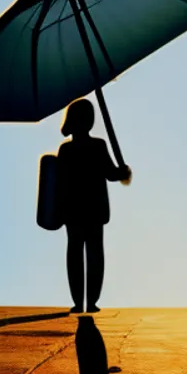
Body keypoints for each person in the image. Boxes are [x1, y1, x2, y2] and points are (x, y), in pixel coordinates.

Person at [57, 98, 131, 313]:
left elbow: (60, 184)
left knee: (75, 254)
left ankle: (79, 302)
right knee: (94, 254)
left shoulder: (67, 150)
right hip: (94, 211)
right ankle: (91, 301)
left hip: (73, 212)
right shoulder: (98, 145)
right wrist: (123, 172)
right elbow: (110, 174)